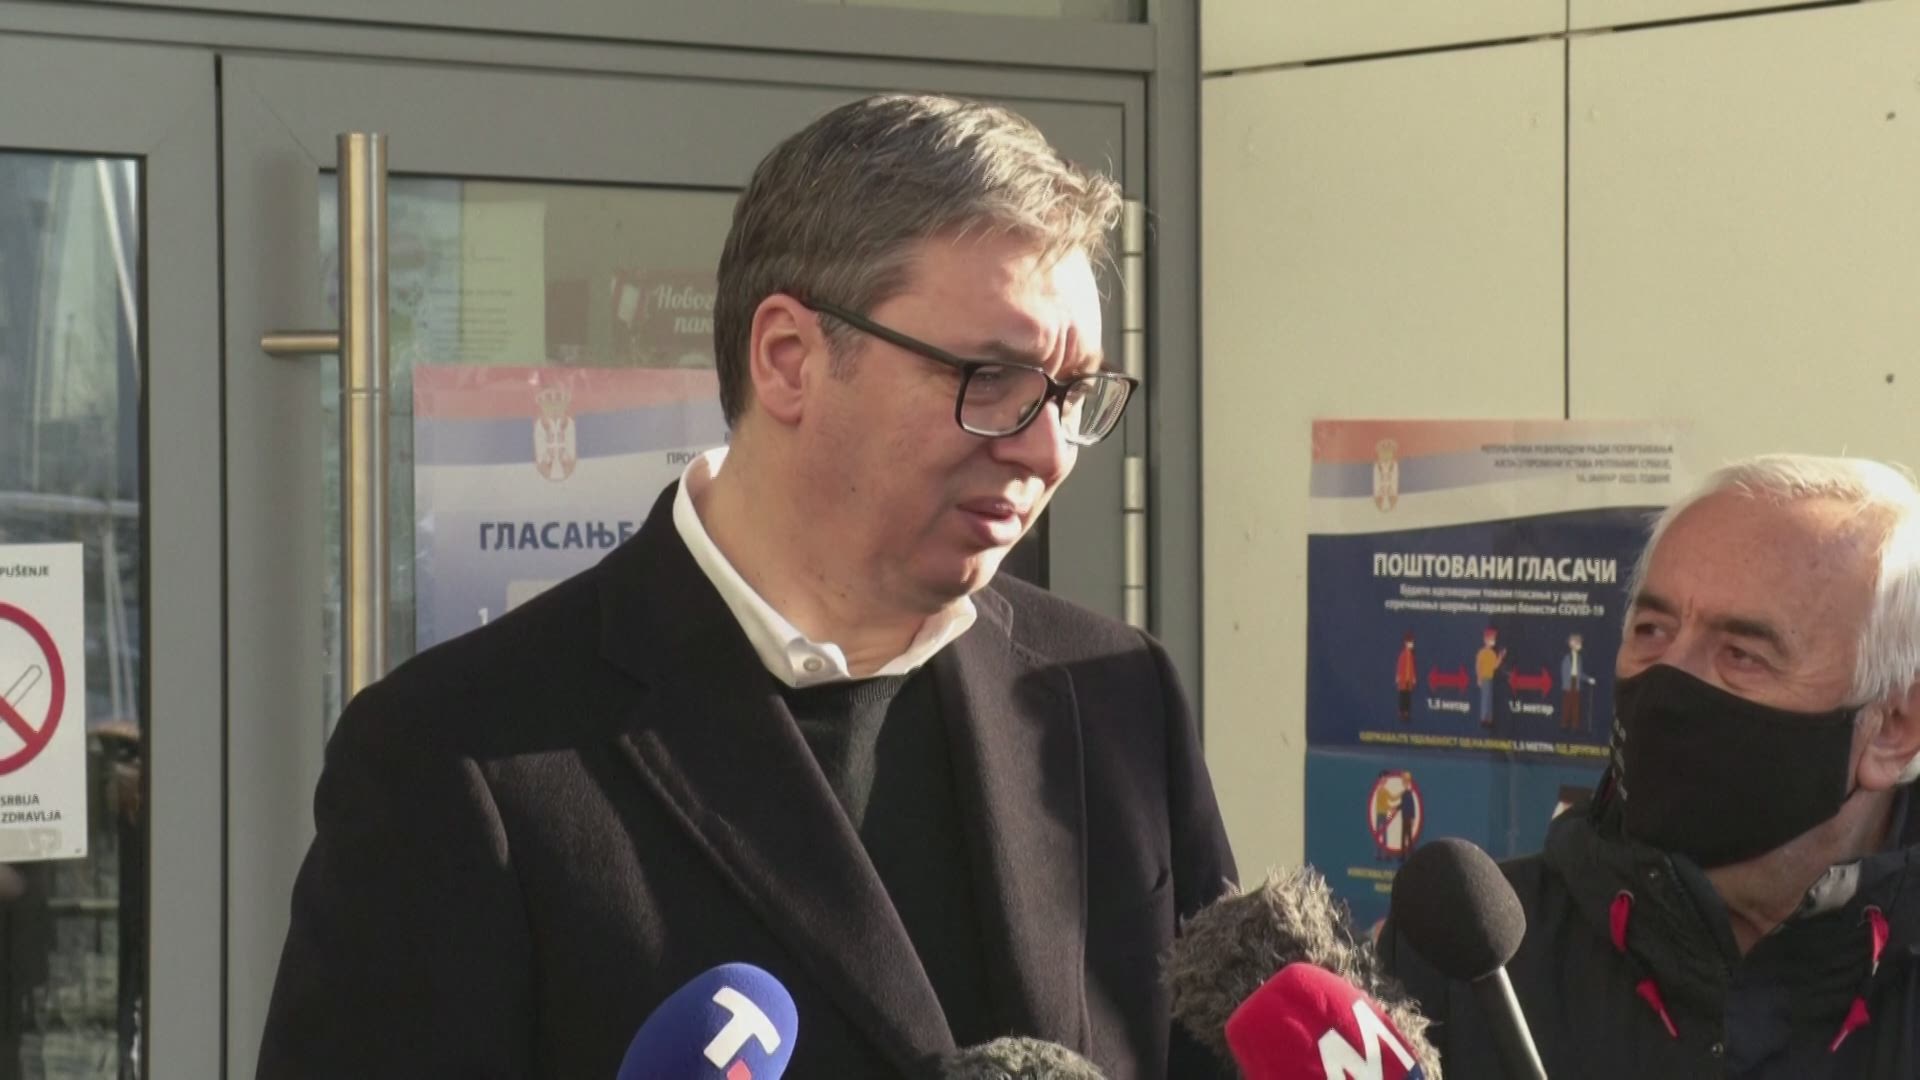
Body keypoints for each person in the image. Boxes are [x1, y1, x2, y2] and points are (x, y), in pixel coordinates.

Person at [255, 93, 1237, 1079]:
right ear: (788, 360)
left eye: (1073, 395)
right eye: (992, 378)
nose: (1047, 450)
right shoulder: (460, 756)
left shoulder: (1114, 694)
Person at [1381, 454, 1920, 1078]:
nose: (1668, 677)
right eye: (1652, 629)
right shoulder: (1463, 959)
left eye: (1742, 654)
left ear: (1893, 729)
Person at [1559, 631, 1594, 732]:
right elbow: (1564, 672)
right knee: (1567, 704)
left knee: (1576, 705)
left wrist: (1588, 679)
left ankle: (1575, 726)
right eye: (1578, 643)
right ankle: (1564, 724)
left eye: (1580, 643)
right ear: (1572, 644)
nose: (1580, 645)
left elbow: (1580, 673)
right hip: (1568, 684)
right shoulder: (1567, 658)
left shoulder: (1579, 658)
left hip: (1576, 683)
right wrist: (1566, 684)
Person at [1475, 626, 1506, 728]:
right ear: (1485, 640)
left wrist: (1500, 657)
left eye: (1493, 639)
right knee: (1485, 698)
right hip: (1484, 678)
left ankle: (1489, 719)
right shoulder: (1482, 653)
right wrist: (1479, 678)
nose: (1493, 641)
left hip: (1490, 678)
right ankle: (1484, 718)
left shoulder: (1492, 653)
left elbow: (1495, 666)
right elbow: (1478, 665)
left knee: (1489, 698)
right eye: (1491, 639)